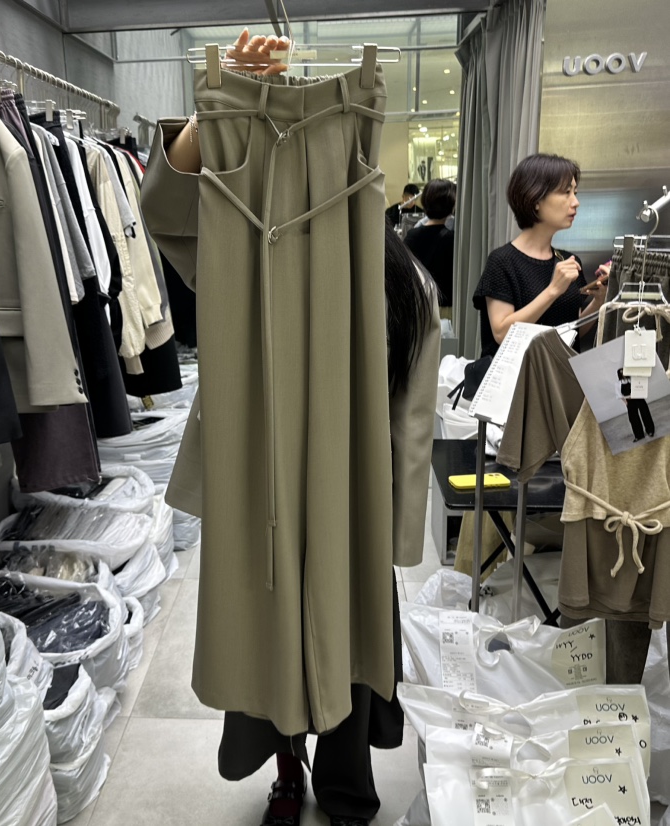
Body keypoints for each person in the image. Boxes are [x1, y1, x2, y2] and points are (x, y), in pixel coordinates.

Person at [146, 29, 440, 826]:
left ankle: (345, 785)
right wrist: (214, 114)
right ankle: (286, 772)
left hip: (349, 488)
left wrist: (395, 530)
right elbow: (166, 212)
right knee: (266, 631)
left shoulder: (401, 282)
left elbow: (413, 416)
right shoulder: (243, 249)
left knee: (343, 642)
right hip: (260, 477)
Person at [472, 153, 608, 358]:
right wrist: (553, 290)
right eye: (566, 192)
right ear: (535, 199)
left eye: (575, 192)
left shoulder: (568, 261)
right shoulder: (502, 262)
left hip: (562, 375)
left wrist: (599, 302)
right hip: (520, 378)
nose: (576, 202)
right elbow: (501, 333)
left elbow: (572, 331)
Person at [404, 178, 456, 318]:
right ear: (451, 204)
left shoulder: (412, 236)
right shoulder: (454, 239)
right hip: (447, 309)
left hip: (420, 309)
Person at [617, 367, 655, 441]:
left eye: (624, 372)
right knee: (633, 418)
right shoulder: (618, 384)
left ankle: (650, 431)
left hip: (638, 398)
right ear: (619, 374)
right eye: (621, 373)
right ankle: (639, 435)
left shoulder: (632, 380)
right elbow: (619, 395)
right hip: (630, 401)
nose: (623, 374)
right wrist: (626, 403)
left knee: (645, 414)